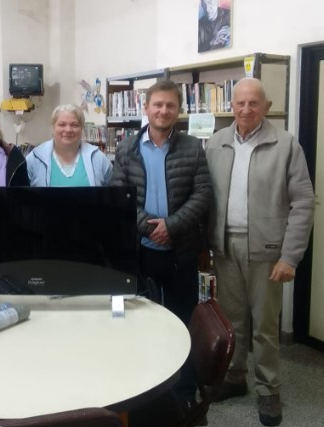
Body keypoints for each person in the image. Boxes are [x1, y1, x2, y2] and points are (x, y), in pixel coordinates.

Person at [206, 78, 314, 426]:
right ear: (231, 106)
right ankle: (235, 378)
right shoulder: (217, 143)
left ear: (266, 107)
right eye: (240, 103)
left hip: (268, 250)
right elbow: (205, 197)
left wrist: (290, 256)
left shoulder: (285, 144)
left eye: (254, 103)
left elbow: (303, 203)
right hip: (224, 247)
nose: (246, 109)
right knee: (232, 321)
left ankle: (269, 389)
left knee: (265, 326)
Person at [110, 80, 212, 424]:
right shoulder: (126, 149)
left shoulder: (193, 148)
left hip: (180, 249)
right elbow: (118, 194)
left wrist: (173, 225)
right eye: (157, 105)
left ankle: (182, 393)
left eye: (170, 105)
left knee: (182, 319)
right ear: (146, 108)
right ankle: (144, 387)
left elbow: (202, 194)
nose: (163, 111)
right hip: (141, 250)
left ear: (178, 110)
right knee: (143, 321)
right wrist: (147, 226)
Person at [26, 104, 112, 187]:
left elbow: (110, 197)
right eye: (62, 124)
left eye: (74, 125)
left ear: (82, 128)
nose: (68, 130)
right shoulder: (34, 159)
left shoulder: (99, 159)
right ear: (53, 127)